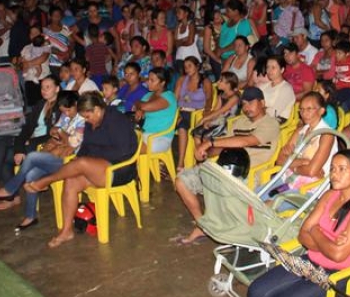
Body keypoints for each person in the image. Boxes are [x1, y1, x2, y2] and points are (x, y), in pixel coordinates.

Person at [247, 150, 350, 297]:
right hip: (312, 261)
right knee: (256, 290)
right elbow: (303, 235)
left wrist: (315, 231)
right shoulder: (330, 195)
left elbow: (338, 255)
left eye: (342, 169)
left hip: (340, 273)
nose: (334, 174)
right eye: (332, 169)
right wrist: (329, 244)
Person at [24, 92, 138, 248]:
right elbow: (86, 146)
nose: (86, 120)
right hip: (97, 168)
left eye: (87, 116)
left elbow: (123, 151)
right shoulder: (92, 122)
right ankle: (66, 231)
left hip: (120, 168)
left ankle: (45, 181)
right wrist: (81, 159)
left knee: (82, 163)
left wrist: (88, 158)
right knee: (71, 179)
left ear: (97, 110)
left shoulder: (116, 120)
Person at [175, 87, 280, 244]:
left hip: (247, 174)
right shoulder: (239, 121)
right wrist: (205, 151)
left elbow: (245, 141)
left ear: (262, 103)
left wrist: (210, 142)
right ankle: (203, 225)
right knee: (181, 181)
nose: (246, 107)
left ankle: (222, 226)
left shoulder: (270, 123)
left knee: (218, 187)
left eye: (251, 103)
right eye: (243, 104)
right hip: (224, 168)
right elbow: (223, 146)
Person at [0, 91, 83, 231]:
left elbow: (73, 143)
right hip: (54, 155)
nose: (66, 113)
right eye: (64, 111)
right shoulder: (65, 115)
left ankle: (10, 188)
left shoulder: (82, 119)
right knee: (31, 175)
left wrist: (61, 133)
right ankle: (30, 216)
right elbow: (53, 131)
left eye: (69, 110)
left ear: (76, 105)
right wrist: (60, 133)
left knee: (31, 156)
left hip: (68, 161)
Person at [0, 75, 62, 198]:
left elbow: (53, 135)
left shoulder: (60, 108)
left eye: (48, 87)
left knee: (5, 156)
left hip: (40, 145)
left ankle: (10, 196)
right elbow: (26, 128)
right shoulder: (41, 104)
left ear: (57, 89)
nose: (43, 90)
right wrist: (19, 148)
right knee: (0, 140)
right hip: (30, 141)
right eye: (42, 87)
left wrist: (28, 143)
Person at [262, 92, 336, 198]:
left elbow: (311, 171)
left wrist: (292, 165)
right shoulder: (300, 131)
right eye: (301, 109)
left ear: (321, 111)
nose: (304, 113)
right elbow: (279, 161)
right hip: (287, 179)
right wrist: (302, 162)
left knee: (267, 204)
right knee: (255, 197)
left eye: (309, 109)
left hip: (308, 188)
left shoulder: (326, 134)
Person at [134, 67, 179, 154]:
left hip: (160, 138)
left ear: (162, 83)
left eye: (152, 80)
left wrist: (139, 104)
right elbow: (138, 107)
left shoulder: (168, 97)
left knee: (128, 148)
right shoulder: (148, 95)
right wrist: (139, 110)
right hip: (144, 133)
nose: (148, 83)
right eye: (148, 79)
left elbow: (143, 105)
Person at [260, 54, 297, 122]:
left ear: (282, 70)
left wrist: (258, 109)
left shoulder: (286, 89)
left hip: (275, 122)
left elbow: (273, 113)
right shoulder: (264, 86)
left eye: (273, 67)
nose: (269, 70)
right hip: (260, 117)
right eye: (267, 67)